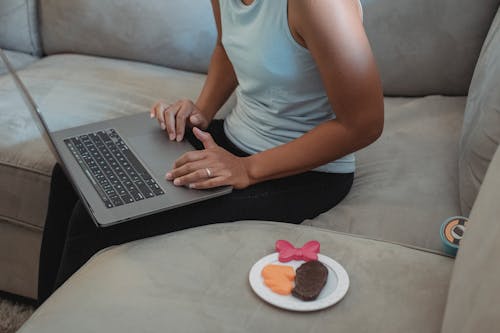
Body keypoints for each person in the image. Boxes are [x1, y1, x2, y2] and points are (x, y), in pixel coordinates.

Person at [38, 0, 383, 304]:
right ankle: (43, 316)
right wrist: (200, 112)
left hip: (306, 172)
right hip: (232, 139)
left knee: (96, 219)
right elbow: (228, 46)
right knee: (73, 172)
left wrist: (246, 169)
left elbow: (364, 123)